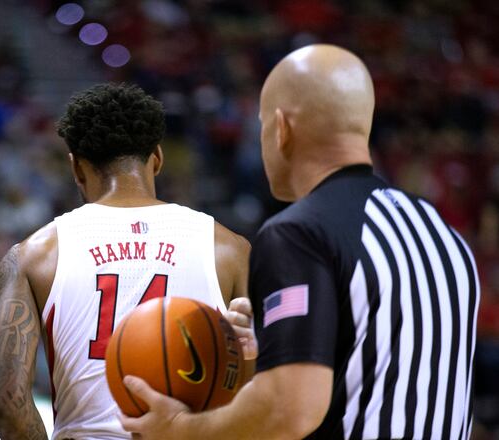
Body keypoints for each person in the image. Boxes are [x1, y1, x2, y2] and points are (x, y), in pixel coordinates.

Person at [121, 44, 481, 439]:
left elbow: (289, 410)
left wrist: (181, 429)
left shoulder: (299, 233)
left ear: (282, 128)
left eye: (260, 125)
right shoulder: (443, 234)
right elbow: (385, 371)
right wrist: (274, 341)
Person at [0, 83, 254, 439]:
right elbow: (262, 390)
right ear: (157, 159)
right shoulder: (230, 249)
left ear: (76, 168)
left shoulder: (33, 255)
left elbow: (8, 401)